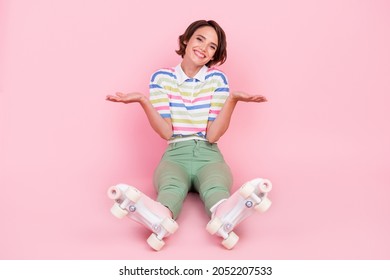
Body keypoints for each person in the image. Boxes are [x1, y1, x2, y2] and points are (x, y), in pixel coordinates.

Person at [106, 19, 272, 250]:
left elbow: (213, 136)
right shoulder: (161, 79)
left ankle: (226, 214)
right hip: (175, 154)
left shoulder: (217, 80)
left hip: (209, 153)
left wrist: (232, 100)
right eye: (200, 39)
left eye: (212, 46)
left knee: (216, 186)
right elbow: (167, 132)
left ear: (215, 54)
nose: (204, 48)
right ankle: (159, 217)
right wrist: (143, 101)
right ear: (186, 40)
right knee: (171, 187)